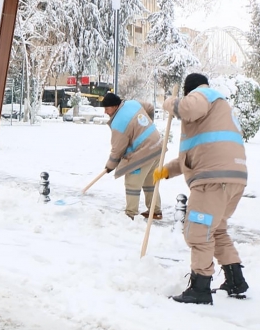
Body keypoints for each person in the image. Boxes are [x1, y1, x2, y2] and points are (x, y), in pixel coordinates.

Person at [154, 72, 250, 305]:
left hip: (211, 181)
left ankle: (199, 288)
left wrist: (169, 102)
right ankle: (235, 281)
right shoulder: (217, 112)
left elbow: (186, 108)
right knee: (216, 230)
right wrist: (166, 171)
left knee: (198, 231)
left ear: (189, 91)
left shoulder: (202, 94)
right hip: (233, 178)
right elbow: (192, 158)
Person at [102, 92, 163, 220]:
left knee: (132, 183)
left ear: (114, 106)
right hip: (157, 145)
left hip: (143, 151)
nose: (105, 112)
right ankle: (155, 211)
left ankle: (130, 214)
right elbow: (150, 108)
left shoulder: (119, 122)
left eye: (107, 108)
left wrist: (109, 167)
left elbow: (117, 150)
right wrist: (148, 124)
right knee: (150, 182)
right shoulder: (133, 103)